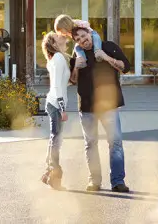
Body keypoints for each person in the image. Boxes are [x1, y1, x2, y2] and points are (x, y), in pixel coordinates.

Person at [70, 26, 130, 193]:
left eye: (84, 36)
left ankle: (118, 181)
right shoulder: (77, 55)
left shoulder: (109, 46)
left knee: (115, 143)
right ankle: (94, 182)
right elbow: (72, 81)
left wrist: (106, 58)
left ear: (90, 33)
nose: (83, 40)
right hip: (87, 107)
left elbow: (125, 66)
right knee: (90, 144)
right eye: (78, 39)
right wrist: (76, 66)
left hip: (109, 106)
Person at [40, 31, 70, 190]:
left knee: (55, 139)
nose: (61, 35)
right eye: (57, 36)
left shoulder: (57, 58)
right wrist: (63, 109)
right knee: (56, 140)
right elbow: (57, 86)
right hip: (56, 104)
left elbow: (62, 83)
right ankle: (53, 176)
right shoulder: (58, 58)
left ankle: (48, 172)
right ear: (53, 43)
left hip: (54, 103)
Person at [54, 14, 102, 83]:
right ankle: (82, 59)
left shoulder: (76, 23)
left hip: (91, 34)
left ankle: (98, 52)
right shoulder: (69, 32)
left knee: (96, 39)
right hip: (82, 40)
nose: (62, 33)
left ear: (65, 26)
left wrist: (82, 27)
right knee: (77, 48)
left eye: (61, 31)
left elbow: (87, 24)